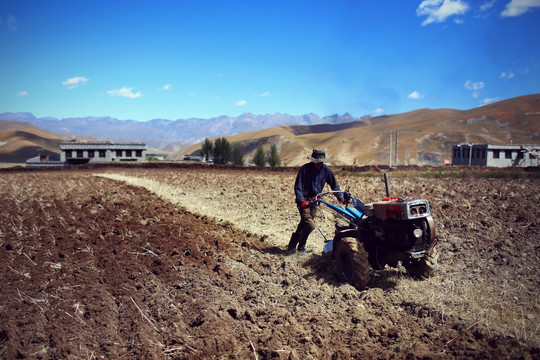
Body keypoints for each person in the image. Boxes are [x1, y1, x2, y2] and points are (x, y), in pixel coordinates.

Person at [287, 149, 344, 254]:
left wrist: (340, 196)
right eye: (317, 162)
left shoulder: (325, 170)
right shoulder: (305, 169)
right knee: (310, 225)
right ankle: (301, 247)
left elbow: (334, 185)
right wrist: (301, 201)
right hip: (304, 201)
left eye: (321, 162)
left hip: (315, 201)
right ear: (313, 161)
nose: (319, 164)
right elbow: (298, 187)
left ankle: (292, 246)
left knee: (304, 224)